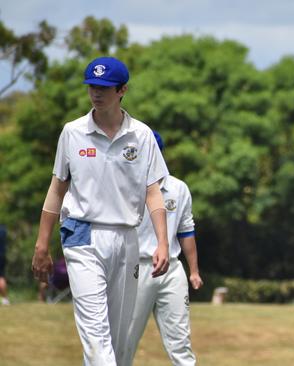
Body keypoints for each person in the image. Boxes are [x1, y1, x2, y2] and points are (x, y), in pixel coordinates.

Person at [31, 56, 170, 366]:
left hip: (127, 238)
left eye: (105, 88)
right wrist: (42, 243)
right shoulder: (72, 132)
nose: (96, 93)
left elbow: (153, 192)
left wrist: (162, 242)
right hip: (81, 234)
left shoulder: (143, 136)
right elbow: (57, 189)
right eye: (92, 86)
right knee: (96, 335)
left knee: (119, 345)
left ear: (122, 91)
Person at [124, 131, 203, 366]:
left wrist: (194, 271)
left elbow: (186, 231)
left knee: (180, 342)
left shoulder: (178, 189)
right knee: (125, 340)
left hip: (171, 269)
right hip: (137, 270)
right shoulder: (126, 187)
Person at [0, 224, 9, 305]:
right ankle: (5, 299)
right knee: (1, 276)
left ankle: (5, 299)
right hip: (2, 255)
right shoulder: (3, 229)